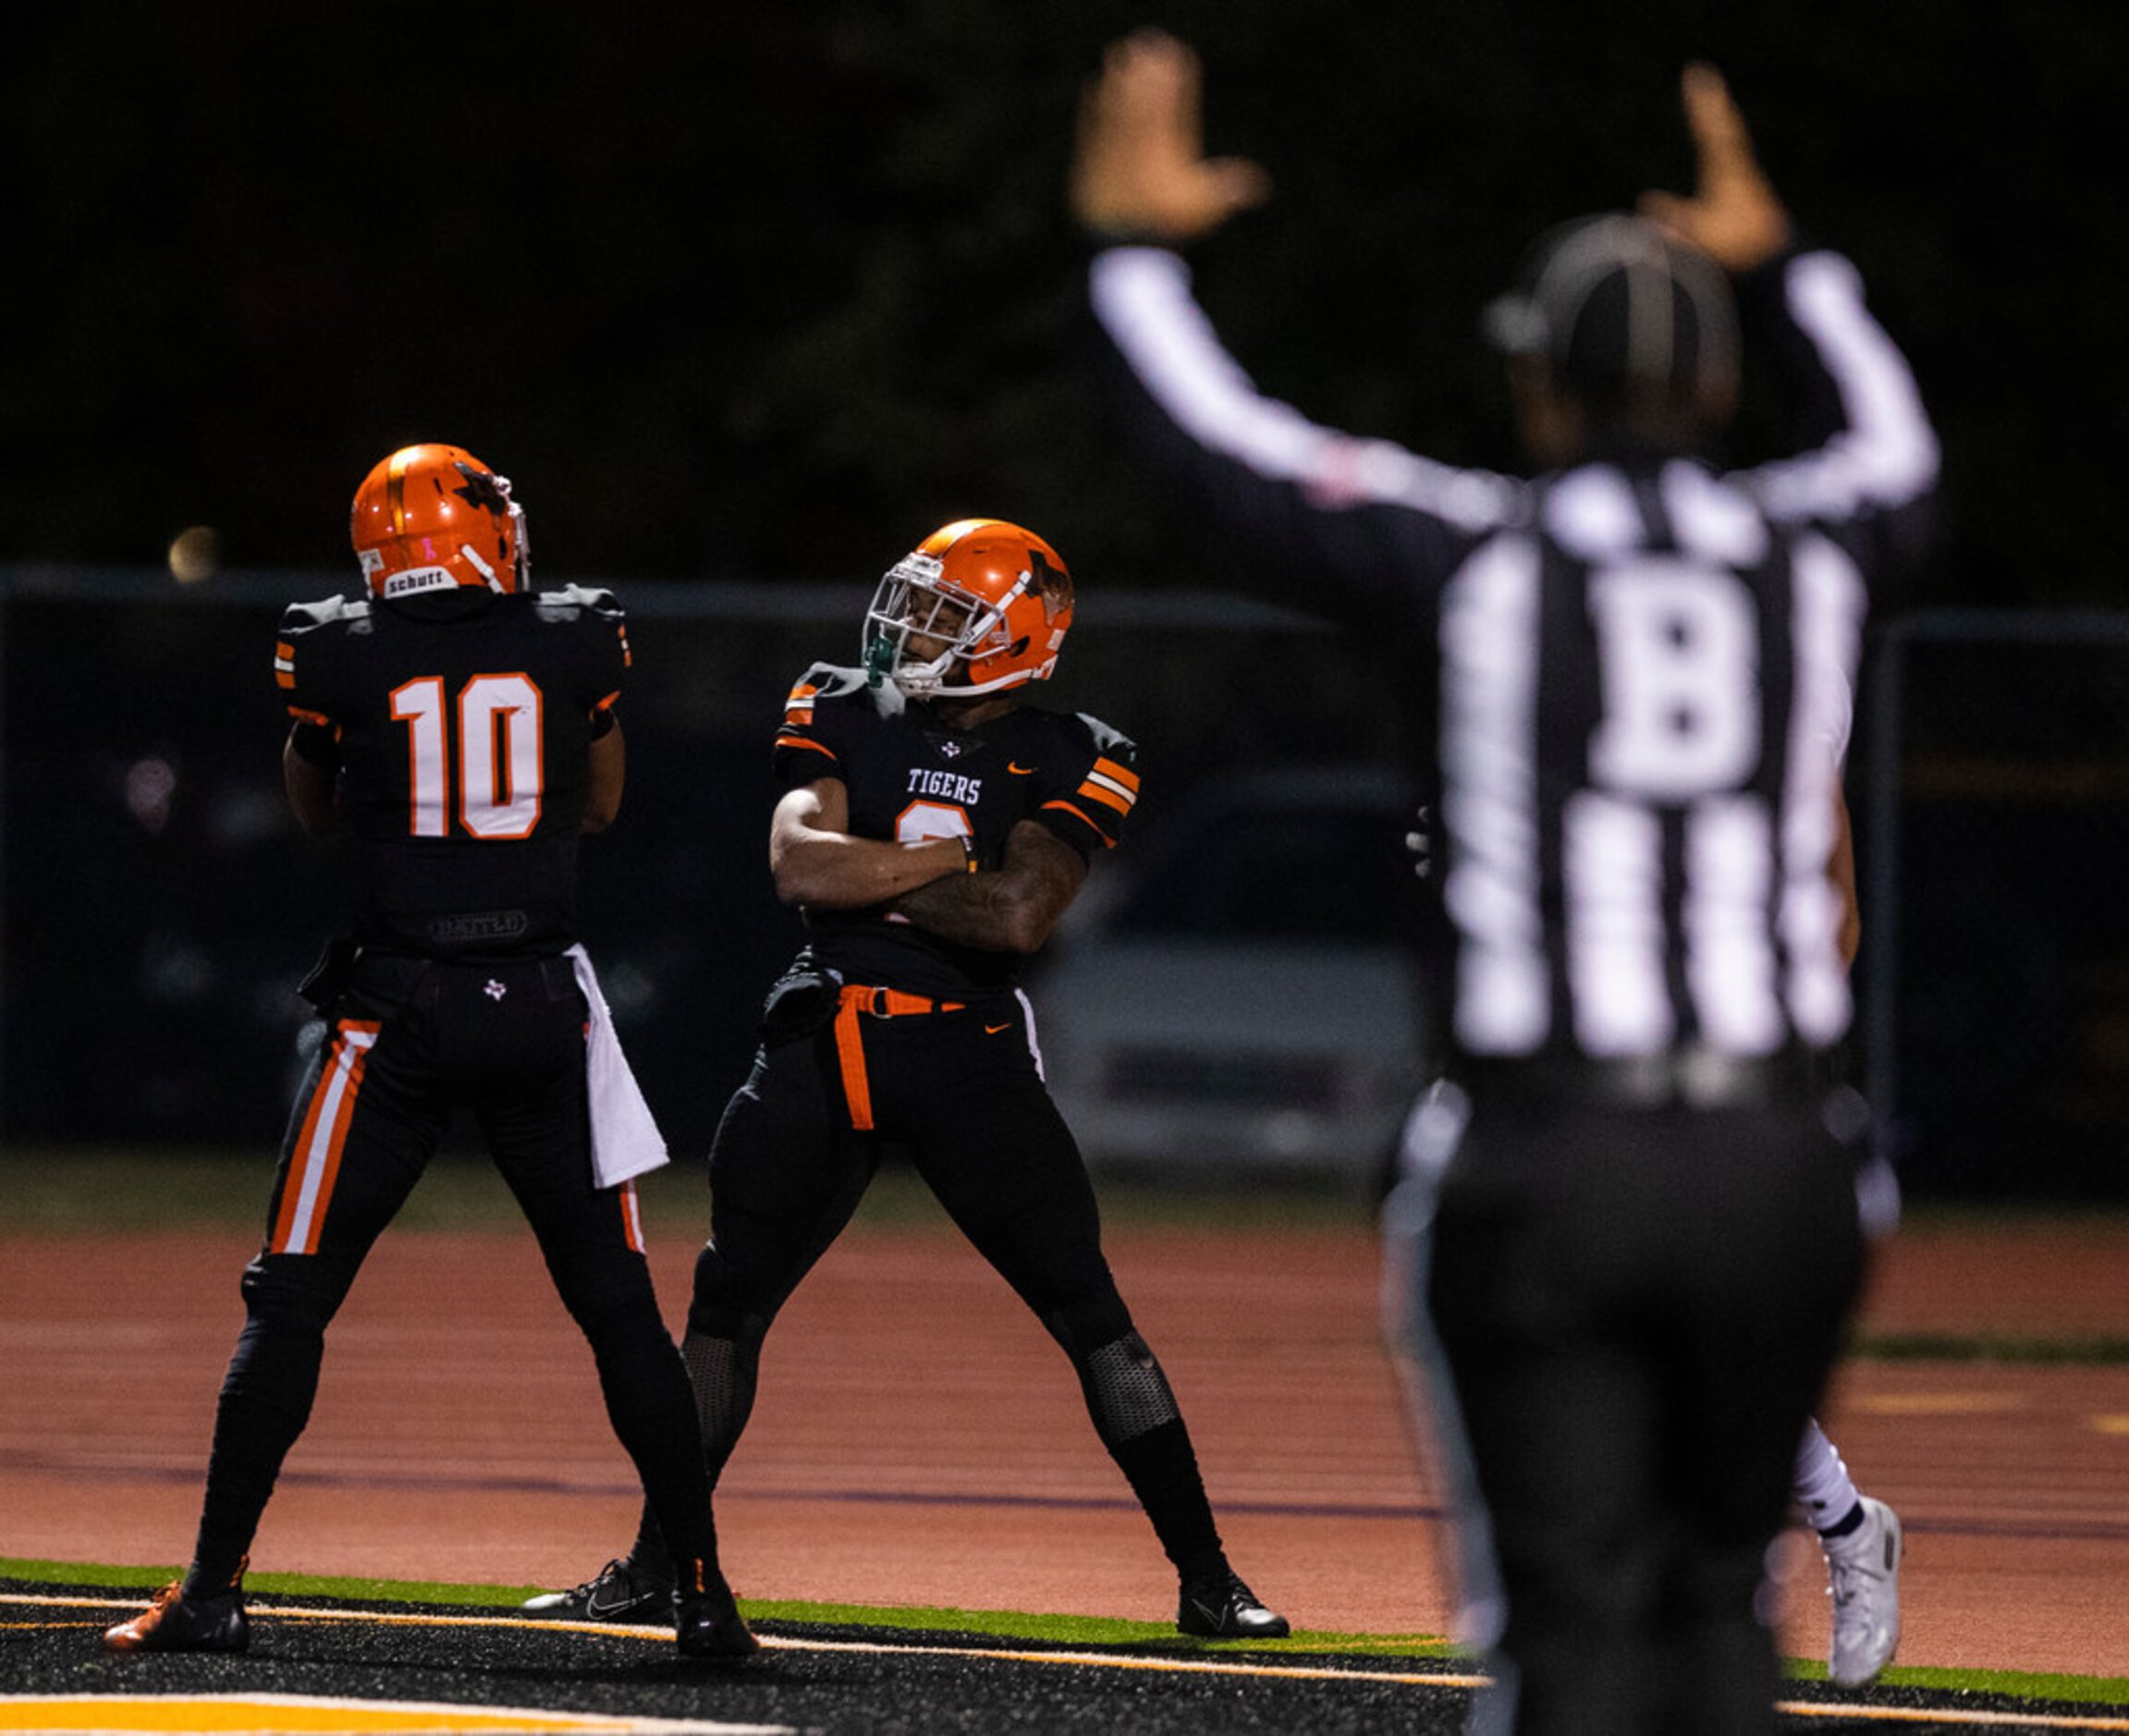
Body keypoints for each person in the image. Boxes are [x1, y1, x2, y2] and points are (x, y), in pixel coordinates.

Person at [1071, 32, 1935, 1732]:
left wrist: (1128, 253)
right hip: (1779, 1154)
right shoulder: (1814, 542)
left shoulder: (1472, 553)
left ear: (1538, 385)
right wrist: (1793, 273)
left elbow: (1214, 449)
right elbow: (1902, 448)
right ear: (1715, 386)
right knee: (1708, 1627)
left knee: (1567, 1639)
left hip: (1549, 1150)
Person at [521, 517, 1287, 1642]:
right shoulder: (836, 699)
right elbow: (796, 864)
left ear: (1017, 636)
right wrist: (944, 861)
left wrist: (866, 877)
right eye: (914, 603)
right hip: (821, 1038)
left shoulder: (1077, 747)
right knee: (724, 1308)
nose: (909, 628)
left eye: (944, 614)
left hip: (963, 1052)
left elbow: (1019, 913)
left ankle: (1208, 1577)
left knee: (1092, 1315)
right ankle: (657, 1560)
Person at [103, 444, 755, 1661]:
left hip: (392, 1010)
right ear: (470, 533)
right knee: (619, 1312)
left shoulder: (330, 642)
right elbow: (601, 805)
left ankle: (210, 1588)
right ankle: (706, 1598)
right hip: (537, 1002)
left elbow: (313, 814)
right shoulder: (573, 632)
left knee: (288, 1296)